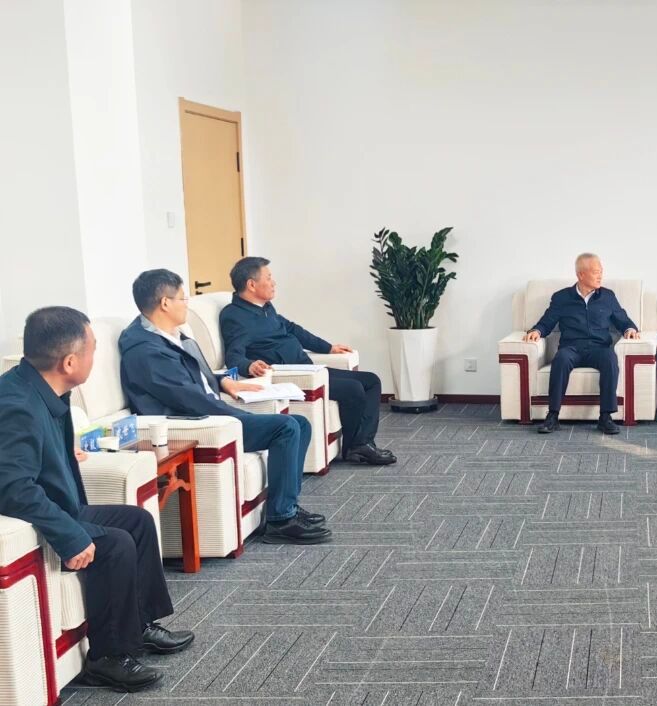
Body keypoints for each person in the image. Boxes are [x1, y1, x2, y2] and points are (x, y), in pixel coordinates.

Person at [0, 307, 194, 692]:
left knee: (137, 521)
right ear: (70, 362)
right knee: (116, 544)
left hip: (63, 506)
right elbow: (13, 488)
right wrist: (70, 536)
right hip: (41, 521)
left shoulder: (42, 387)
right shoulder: (18, 405)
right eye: (91, 349)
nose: (95, 357)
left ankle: (139, 625)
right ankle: (108, 658)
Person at [118, 269, 331, 545]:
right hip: (200, 423)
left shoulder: (170, 335)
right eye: (183, 298)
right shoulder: (146, 350)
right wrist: (236, 415)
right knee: (287, 428)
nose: (187, 304)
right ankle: (281, 520)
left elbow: (193, 378)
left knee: (300, 424)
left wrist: (222, 382)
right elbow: (189, 399)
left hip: (212, 411)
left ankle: (286, 505)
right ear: (165, 303)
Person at [220, 257, 395, 466]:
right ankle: (358, 446)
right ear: (251, 284)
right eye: (268, 278)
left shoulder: (265, 307)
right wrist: (249, 366)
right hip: (292, 376)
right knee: (354, 388)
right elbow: (233, 356)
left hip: (309, 369)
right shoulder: (234, 316)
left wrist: (328, 347)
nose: (274, 282)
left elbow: (292, 329)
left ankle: (362, 443)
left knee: (371, 381)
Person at [523, 253, 640, 435]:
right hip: (571, 348)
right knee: (560, 359)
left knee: (610, 359)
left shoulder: (608, 296)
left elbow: (622, 319)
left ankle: (605, 417)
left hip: (599, 348)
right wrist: (536, 331)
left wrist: (630, 329)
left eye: (601, 271)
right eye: (595, 272)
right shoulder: (562, 298)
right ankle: (553, 416)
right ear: (581, 274)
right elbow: (547, 321)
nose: (600, 276)